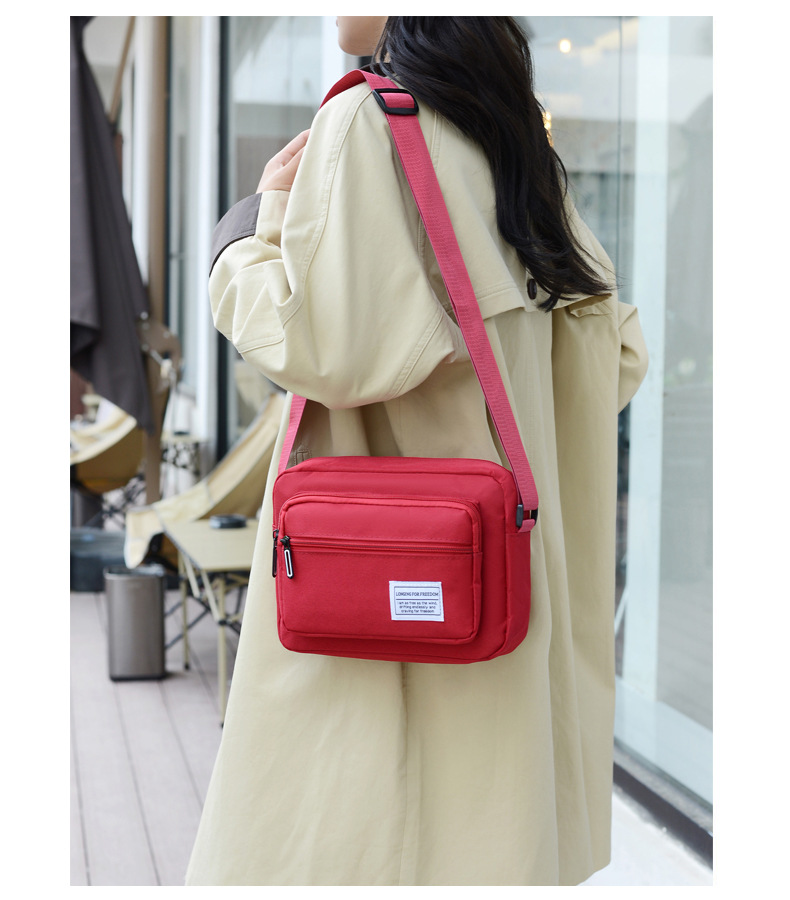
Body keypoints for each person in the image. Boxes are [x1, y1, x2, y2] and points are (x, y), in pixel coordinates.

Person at [186, 16, 647, 886]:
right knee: (484, 831)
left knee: (362, 829)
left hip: (377, 576)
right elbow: (609, 355)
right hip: (509, 569)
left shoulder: (369, 122)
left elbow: (316, 343)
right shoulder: (510, 137)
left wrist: (250, 229)